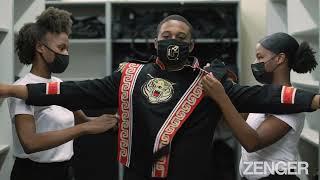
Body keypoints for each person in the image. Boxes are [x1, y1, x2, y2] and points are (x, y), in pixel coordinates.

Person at [0, 15, 320, 180]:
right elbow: (73, 90)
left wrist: (315, 99)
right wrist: (11, 89)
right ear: (155, 43)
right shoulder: (128, 76)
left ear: (191, 46)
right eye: (166, 36)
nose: (173, 42)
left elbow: (268, 97)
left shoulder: (209, 83)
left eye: (181, 38)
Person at [8, 7, 117, 180]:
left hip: (65, 170)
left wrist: (114, 121)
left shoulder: (59, 86)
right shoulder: (23, 88)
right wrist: (84, 129)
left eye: (67, 48)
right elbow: (30, 143)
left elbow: (85, 120)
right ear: (40, 48)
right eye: (61, 47)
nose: (66, 54)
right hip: (34, 174)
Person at [202, 32, 317, 180]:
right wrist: (224, 86)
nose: (255, 62)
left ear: (279, 59)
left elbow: (252, 142)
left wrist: (222, 97)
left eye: (260, 57)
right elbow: (241, 121)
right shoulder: (264, 96)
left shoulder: (291, 103)